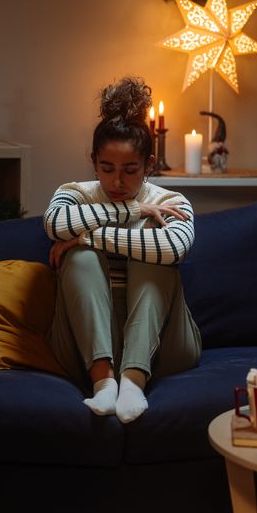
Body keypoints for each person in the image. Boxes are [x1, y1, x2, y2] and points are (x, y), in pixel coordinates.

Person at [43, 76, 201, 423]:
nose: (117, 182)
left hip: (165, 344)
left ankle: (133, 379)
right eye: (106, 169)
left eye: (130, 171)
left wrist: (87, 237)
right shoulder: (76, 193)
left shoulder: (171, 202)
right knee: (80, 259)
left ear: (149, 164)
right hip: (81, 344)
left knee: (151, 252)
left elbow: (174, 248)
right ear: (93, 161)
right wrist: (130, 211)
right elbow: (54, 224)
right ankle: (103, 382)